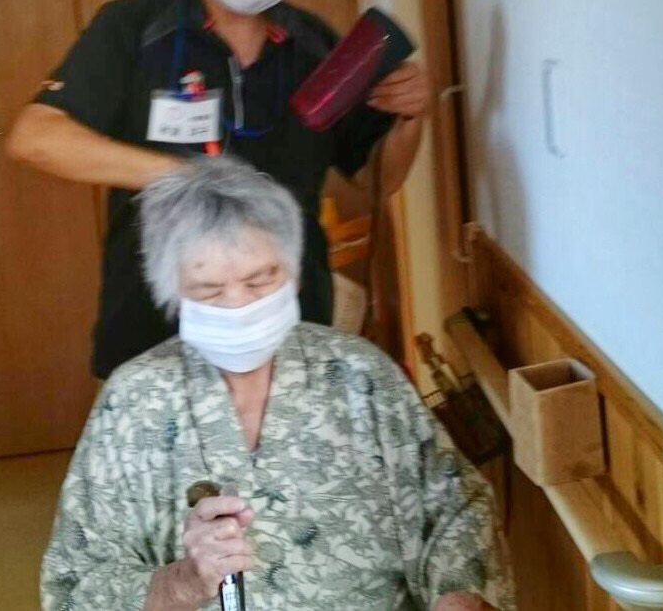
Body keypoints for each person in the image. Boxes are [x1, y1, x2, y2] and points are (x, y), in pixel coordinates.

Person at [7, 0, 431, 380]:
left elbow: (376, 180)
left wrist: (411, 119)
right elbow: (35, 137)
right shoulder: (134, 30)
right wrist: (181, 175)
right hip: (156, 326)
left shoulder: (317, 50)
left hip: (288, 326)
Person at [40, 158, 515, 610]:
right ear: (174, 295)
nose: (239, 305)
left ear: (292, 273)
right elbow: (74, 586)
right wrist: (185, 579)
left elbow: (454, 510)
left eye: (259, 281)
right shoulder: (134, 400)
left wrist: (456, 599)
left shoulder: (360, 376)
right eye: (210, 290)